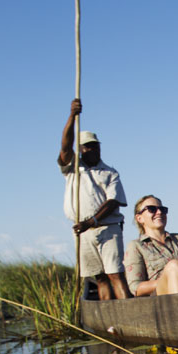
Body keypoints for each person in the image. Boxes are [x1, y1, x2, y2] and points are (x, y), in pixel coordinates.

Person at [58, 98, 132, 300]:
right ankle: (108, 320)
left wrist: (92, 221)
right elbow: (65, 147)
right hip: (83, 232)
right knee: (99, 277)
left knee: (115, 273)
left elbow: (113, 201)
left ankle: (128, 315)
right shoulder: (73, 168)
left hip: (107, 227)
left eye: (95, 146)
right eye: (87, 147)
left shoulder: (110, 172)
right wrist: (72, 116)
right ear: (80, 150)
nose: (92, 150)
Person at [123, 195, 178, 296]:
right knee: (174, 266)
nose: (159, 212)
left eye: (163, 209)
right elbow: (135, 288)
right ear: (139, 218)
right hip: (159, 298)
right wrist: (172, 278)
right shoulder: (136, 246)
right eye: (152, 209)